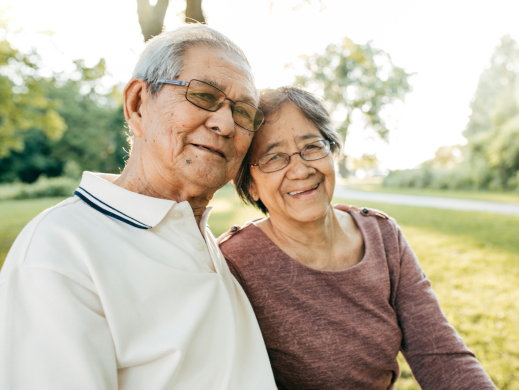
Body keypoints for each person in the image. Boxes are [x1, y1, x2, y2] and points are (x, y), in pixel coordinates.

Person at [0, 25, 277, 390]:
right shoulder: (59, 251)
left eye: (244, 112)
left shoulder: (205, 235)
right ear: (137, 104)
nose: (225, 123)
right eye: (204, 95)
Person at [219, 86, 497, 390]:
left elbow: (440, 356)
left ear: (332, 151)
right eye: (273, 158)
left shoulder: (382, 234)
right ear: (250, 185)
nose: (300, 170)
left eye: (311, 146)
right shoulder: (234, 263)